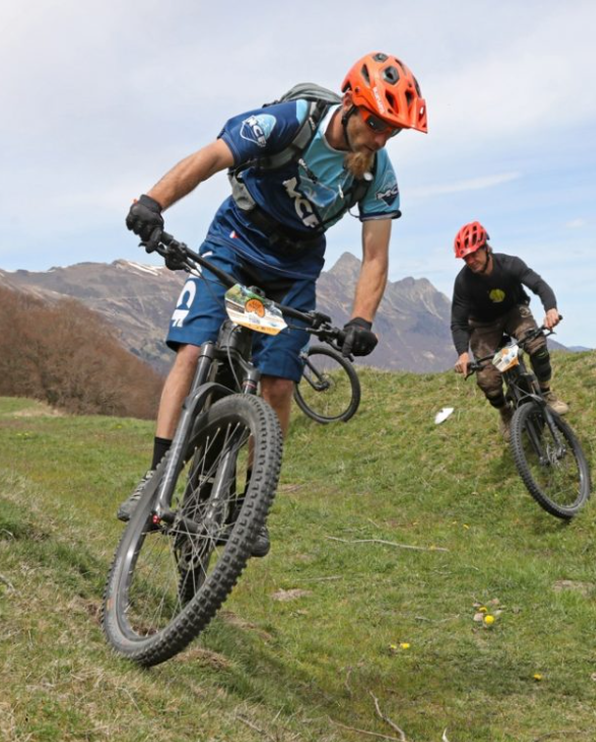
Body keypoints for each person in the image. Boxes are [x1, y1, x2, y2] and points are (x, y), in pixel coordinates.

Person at [120, 53, 427, 557]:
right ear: (350, 105)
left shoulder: (377, 172)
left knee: (279, 383)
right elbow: (212, 158)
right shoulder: (290, 121)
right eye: (376, 123)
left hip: (294, 270)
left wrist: (362, 320)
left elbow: (376, 256)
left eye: (391, 132)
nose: (380, 138)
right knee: (192, 353)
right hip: (235, 244)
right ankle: (155, 476)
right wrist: (152, 202)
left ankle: (251, 507)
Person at [450, 221, 568, 441]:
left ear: (486, 247)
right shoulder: (463, 282)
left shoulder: (509, 264)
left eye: (473, 254)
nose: (470, 261)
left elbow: (539, 285)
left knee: (537, 346)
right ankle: (505, 413)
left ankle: (546, 392)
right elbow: (458, 322)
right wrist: (463, 353)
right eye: (465, 257)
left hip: (514, 312)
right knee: (487, 379)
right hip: (483, 325)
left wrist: (551, 309)